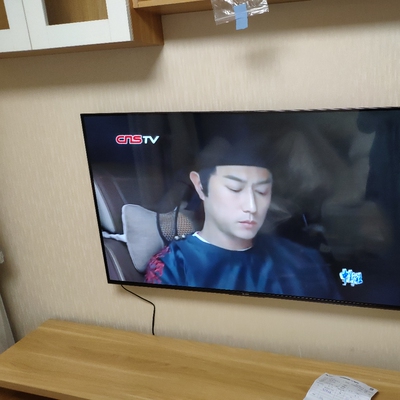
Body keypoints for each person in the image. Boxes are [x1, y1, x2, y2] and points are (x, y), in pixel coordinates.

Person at [145, 137, 341, 300]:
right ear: (200, 186)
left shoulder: (304, 261)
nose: (251, 206)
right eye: (235, 189)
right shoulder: (174, 267)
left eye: (262, 191)